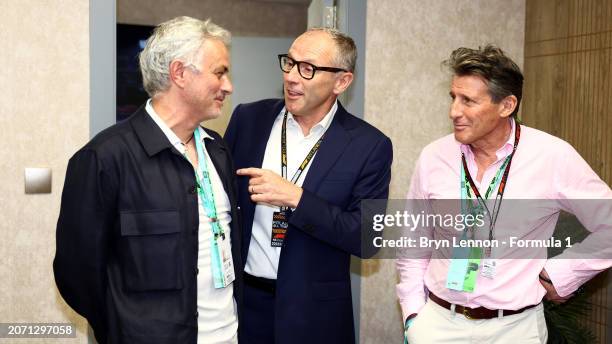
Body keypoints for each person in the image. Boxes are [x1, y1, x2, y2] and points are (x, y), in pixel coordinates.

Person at [396, 45, 612, 343]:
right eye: (453, 97)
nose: (454, 111)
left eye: (468, 101)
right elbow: (414, 240)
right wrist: (413, 315)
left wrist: (560, 274)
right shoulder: (434, 156)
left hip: (515, 329)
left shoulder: (552, 157)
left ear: (507, 105)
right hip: (438, 323)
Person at [53, 16, 242, 344]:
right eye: (219, 72)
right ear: (180, 73)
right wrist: (125, 329)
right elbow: (77, 274)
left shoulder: (218, 150)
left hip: (228, 335)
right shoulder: (104, 159)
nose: (228, 86)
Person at [224, 27, 393, 343]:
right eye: (289, 62)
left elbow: (368, 238)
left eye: (308, 69)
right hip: (245, 307)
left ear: (341, 82)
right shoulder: (248, 119)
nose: (291, 76)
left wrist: (298, 199)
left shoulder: (369, 146)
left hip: (316, 316)